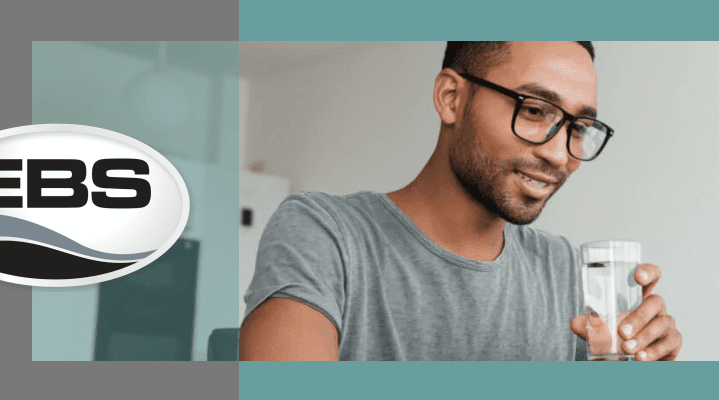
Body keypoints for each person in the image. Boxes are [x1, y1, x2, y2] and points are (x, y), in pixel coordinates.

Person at [240, 41, 682, 361]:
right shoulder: (325, 233)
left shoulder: (566, 270)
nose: (558, 153)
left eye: (579, 128)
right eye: (533, 110)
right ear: (452, 98)